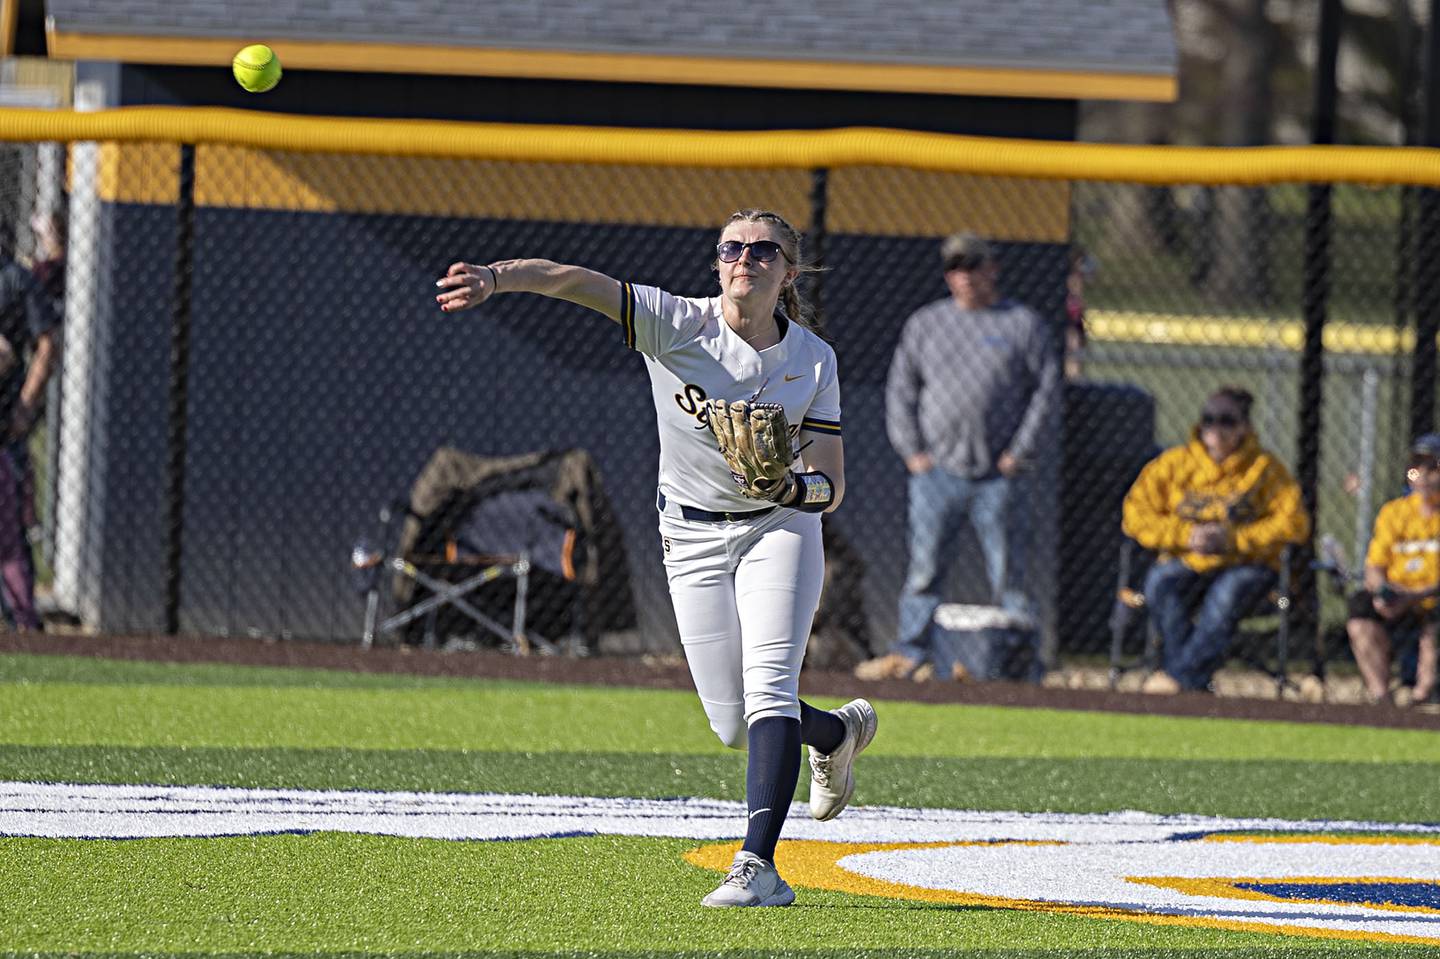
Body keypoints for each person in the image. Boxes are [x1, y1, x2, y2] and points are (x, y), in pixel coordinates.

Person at [434, 209, 877, 908]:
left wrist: (791, 484)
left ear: (788, 272)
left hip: (778, 526)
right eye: (732, 247)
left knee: (767, 685)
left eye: (764, 251)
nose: (745, 259)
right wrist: (496, 277)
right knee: (734, 722)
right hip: (693, 534)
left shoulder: (813, 357)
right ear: (717, 263)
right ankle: (835, 730)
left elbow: (831, 483)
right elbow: (572, 281)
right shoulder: (678, 322)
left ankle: (758, 866)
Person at [856, 232, 1059, 682]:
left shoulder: (1022, 324)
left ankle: (1021, 663)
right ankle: (911, 654)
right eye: (955, 267)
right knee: (924, 570)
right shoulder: (926, 324)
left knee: (1010, 575)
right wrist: (913, 453)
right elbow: (901, 391)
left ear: (993, 268)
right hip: (936, 474)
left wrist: (1019, 453)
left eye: (973, 265)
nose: (964, 276)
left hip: (998, 476)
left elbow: (1045, 394)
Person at [1122, 387, 1310, 694]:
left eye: (1226, 421)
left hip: (1246, 565)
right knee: (1160, 582)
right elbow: (1135, 515)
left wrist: (1234, 539)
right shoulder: (1173, 465)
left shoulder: (1264, 469)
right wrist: (1186, 536)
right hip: (1189, 561)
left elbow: (1293, 524)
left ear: (1245, 427)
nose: (1216, 429)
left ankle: (1179, 677)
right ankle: (1191, 680)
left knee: (1228, 592)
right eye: (1209, 420)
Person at [1344, 434, 1440, 706]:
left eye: (1433, 467)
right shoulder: (1394, 512)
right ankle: (1382, 697)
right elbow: (1374, 566)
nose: (1422, 474)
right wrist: (1383, 592)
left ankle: (1423, 694)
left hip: (1430, 598)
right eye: (1416, 466)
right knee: (1360, 608)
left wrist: (1415, 596)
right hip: (1398, 597)